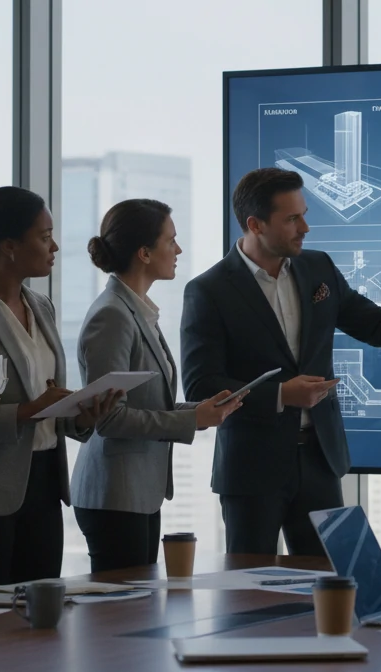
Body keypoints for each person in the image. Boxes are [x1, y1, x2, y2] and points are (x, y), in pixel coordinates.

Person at [180, 167, 381, 556]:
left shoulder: (318, 268)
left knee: (331, 579)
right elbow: (201, 386)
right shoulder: (209, 290)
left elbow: (378, 326)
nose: (305, 228)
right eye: (292, 219)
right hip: (251, 469)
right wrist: (281, 395)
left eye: (304, 215)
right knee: (249, 585)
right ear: (255, 224)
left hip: (321, 459)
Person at [0, 186, 117, 591]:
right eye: (45, 236)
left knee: (42, 610)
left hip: (44, 483)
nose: (55, 247)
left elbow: (48, 402)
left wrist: (82, 416)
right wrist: (26, 411)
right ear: (10, 246)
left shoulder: (41, 306)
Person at [72, 199, 244, 572]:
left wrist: (198, 410)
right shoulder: (112, 316)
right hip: (114, 493)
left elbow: (145, 403)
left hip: (136, 492)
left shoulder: (137, 309)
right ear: (145, 253)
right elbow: (109, 418)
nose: (178, 250)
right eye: (171, 241)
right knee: (125, 602)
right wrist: (191, 420)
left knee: (139, 598)